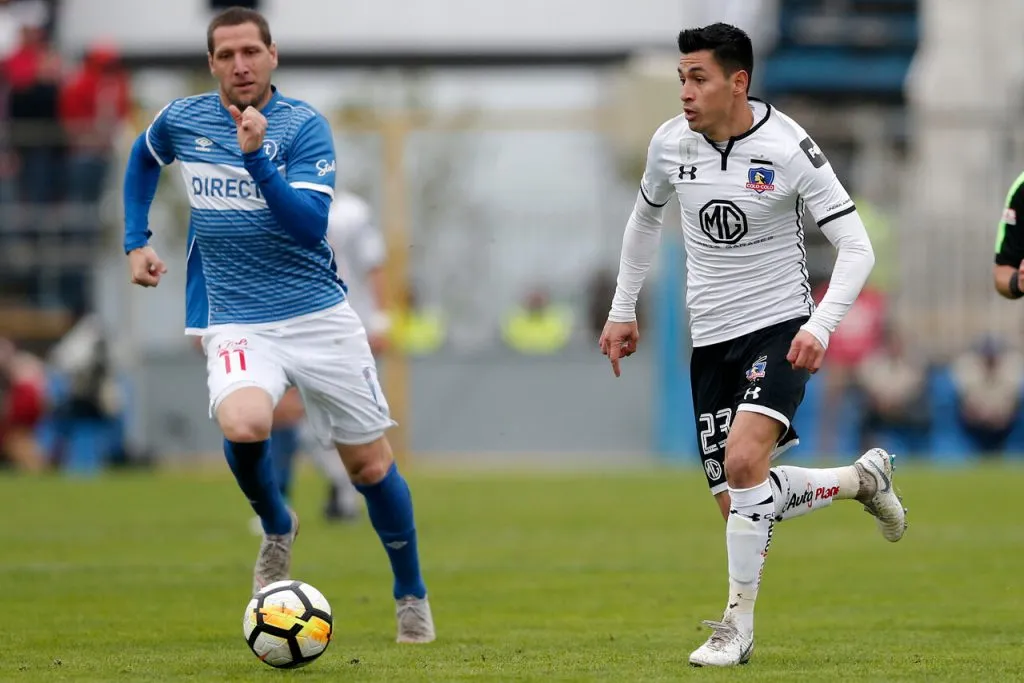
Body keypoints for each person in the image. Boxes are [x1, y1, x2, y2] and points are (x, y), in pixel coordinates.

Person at [120, 7, 434, 643]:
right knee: (244, 423)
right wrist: (136, 239)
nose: (240, 65)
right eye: (227, 54)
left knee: (370, 469)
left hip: (318, 317)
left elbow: (308, 227)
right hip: (236, 317)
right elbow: (143, 157)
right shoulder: (182, 119)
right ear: (212, 63)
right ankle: (276, 523)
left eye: (251, 52)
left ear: (273, 56)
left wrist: (257, 158)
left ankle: (410, 593)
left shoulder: (302, 127)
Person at [598, 23, 906, 667]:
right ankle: (860, 479)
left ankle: (735, 630)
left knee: (743, 466)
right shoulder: (669, 143)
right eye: (682, 78)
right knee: (742, 502)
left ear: (738, 82)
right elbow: (644, 220)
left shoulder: (787, 147)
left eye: (698, 78)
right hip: (710, 341)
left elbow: (857, 247)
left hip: (780, 328)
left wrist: (820, 325)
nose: (685, 92)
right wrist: (623, 308)